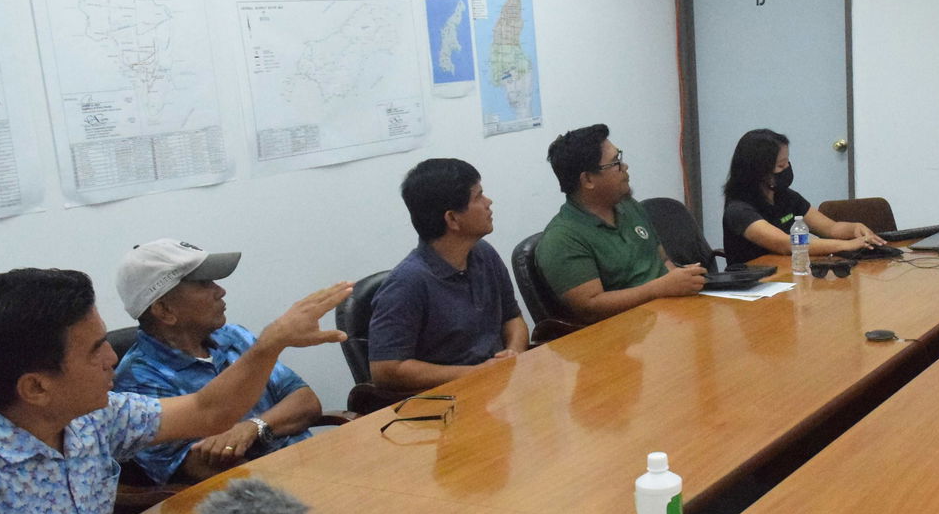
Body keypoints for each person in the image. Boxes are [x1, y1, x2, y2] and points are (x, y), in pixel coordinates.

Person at [0, 268, 350, 514]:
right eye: (95, 349)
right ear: (36, 387)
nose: (113, 357)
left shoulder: (93, 417)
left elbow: (206, 410)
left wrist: (270, 344)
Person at [111, 239, 322, 484]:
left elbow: (306, 402)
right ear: (164, 310)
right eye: (203, 284)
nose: (220, 291)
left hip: (309, 466)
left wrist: (253, 427)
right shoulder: (138, 379)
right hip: (258, 495)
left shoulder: (233, 336)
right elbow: (200, 470)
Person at [370, 158, 528, 391]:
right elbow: (386, 369)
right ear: (452, 218)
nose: (488, 202)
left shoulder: (484, 255)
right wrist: (475, 374)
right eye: (478, 197)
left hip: (497, 387)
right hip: (445, 404)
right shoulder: (407, 283)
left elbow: (512, 318)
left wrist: (513, 353)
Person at [535, 124, 706, 323]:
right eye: (615, 162)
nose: (624, 167)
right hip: (623, 335)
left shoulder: (628, 206)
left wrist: (686, 283)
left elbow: (663, 262)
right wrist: (658, 289)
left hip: (669, 316)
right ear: (588, 179)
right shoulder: (562, 238)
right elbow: (590, 307)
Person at [720, 128, 885, 267]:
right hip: (752, 288)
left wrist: (854, 229)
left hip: (785, 275)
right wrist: (847, 245)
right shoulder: (738, 210)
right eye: (780, 165)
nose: (787, 169)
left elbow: (831, 229)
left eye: (787, 162)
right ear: (759, 170)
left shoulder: (787, 197)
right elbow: (786, 244)